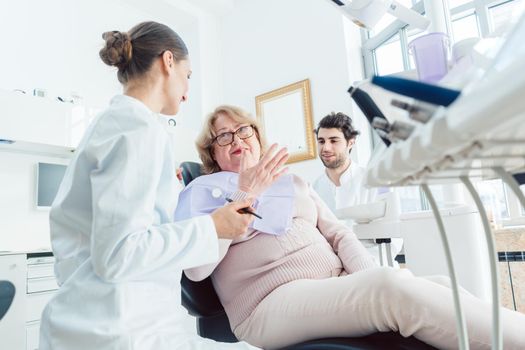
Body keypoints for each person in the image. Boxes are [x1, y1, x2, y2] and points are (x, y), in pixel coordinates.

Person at [175, 104, 525, 350]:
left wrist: (366, 277)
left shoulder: (291, 182)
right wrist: (246, 192)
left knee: (437, 285)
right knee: (389, 287)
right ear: (212, 153)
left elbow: (339, 234)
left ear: (256, 136)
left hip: (334, 285)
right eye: (223, 137)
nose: (236, 140)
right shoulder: (201, 191)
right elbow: (196, 268)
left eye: (243, 130)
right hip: (267, 304)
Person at [39, 22, 288, 350]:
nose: (187, 92)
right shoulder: (137, 131)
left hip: (111, 318)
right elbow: (118, 254)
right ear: (168, 61)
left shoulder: (114, 125)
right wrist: (212, 226)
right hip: (121, 329)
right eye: (188, 76)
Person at [313, 112, 402, 265]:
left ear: (351, 143)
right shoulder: (315, 188)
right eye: (321, 141)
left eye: (334, 141)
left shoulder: (375, 180)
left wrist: (361, 264)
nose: (326, 147)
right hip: (333, 271)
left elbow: (394, 237)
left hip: (375, 267)